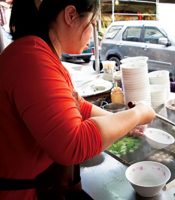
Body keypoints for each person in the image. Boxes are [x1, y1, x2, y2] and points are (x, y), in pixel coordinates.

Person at [0, 0, 155, 199]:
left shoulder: (37, 52)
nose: (93, 31)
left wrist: (127, 124)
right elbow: (74, 143)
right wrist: (138, 112)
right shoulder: (32, 59)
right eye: (92, 22)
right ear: (71, 15)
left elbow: (77, 104)